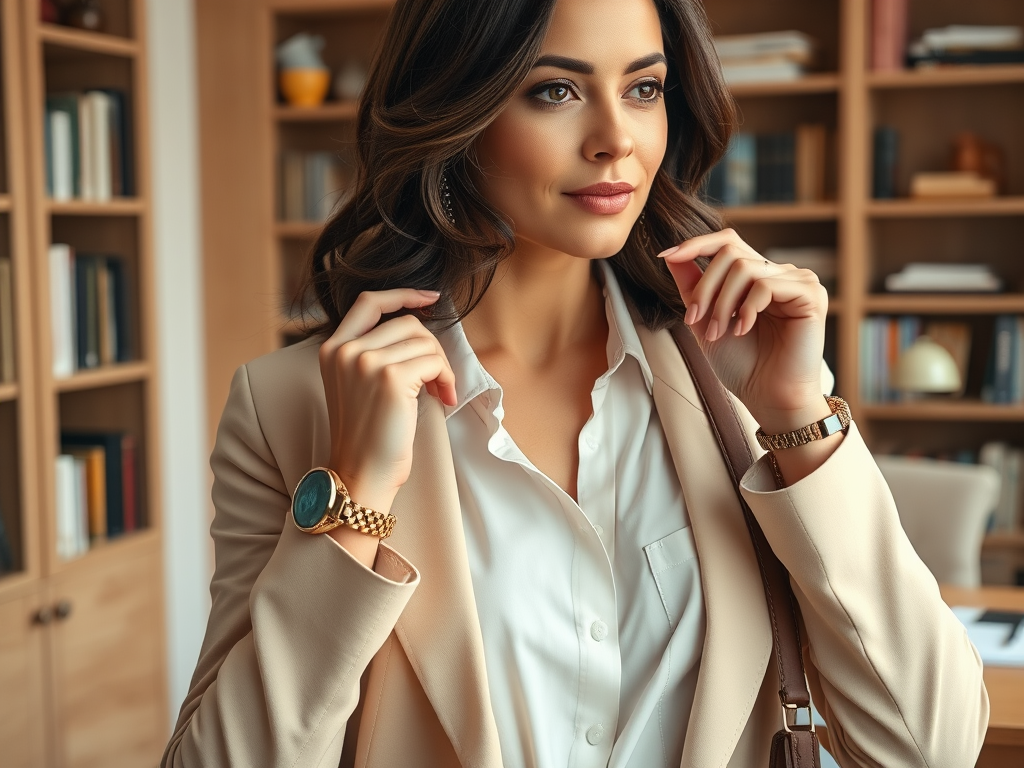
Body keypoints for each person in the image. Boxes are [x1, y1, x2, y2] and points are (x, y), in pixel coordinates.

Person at [162, 0, 988, 765]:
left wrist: (799, 420)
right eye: (555, 89)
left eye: (644, 87)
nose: (615, 139)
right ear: (459, 110)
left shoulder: (742, 379)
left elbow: (932, 745)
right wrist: (355, 494)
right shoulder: (288, 404)